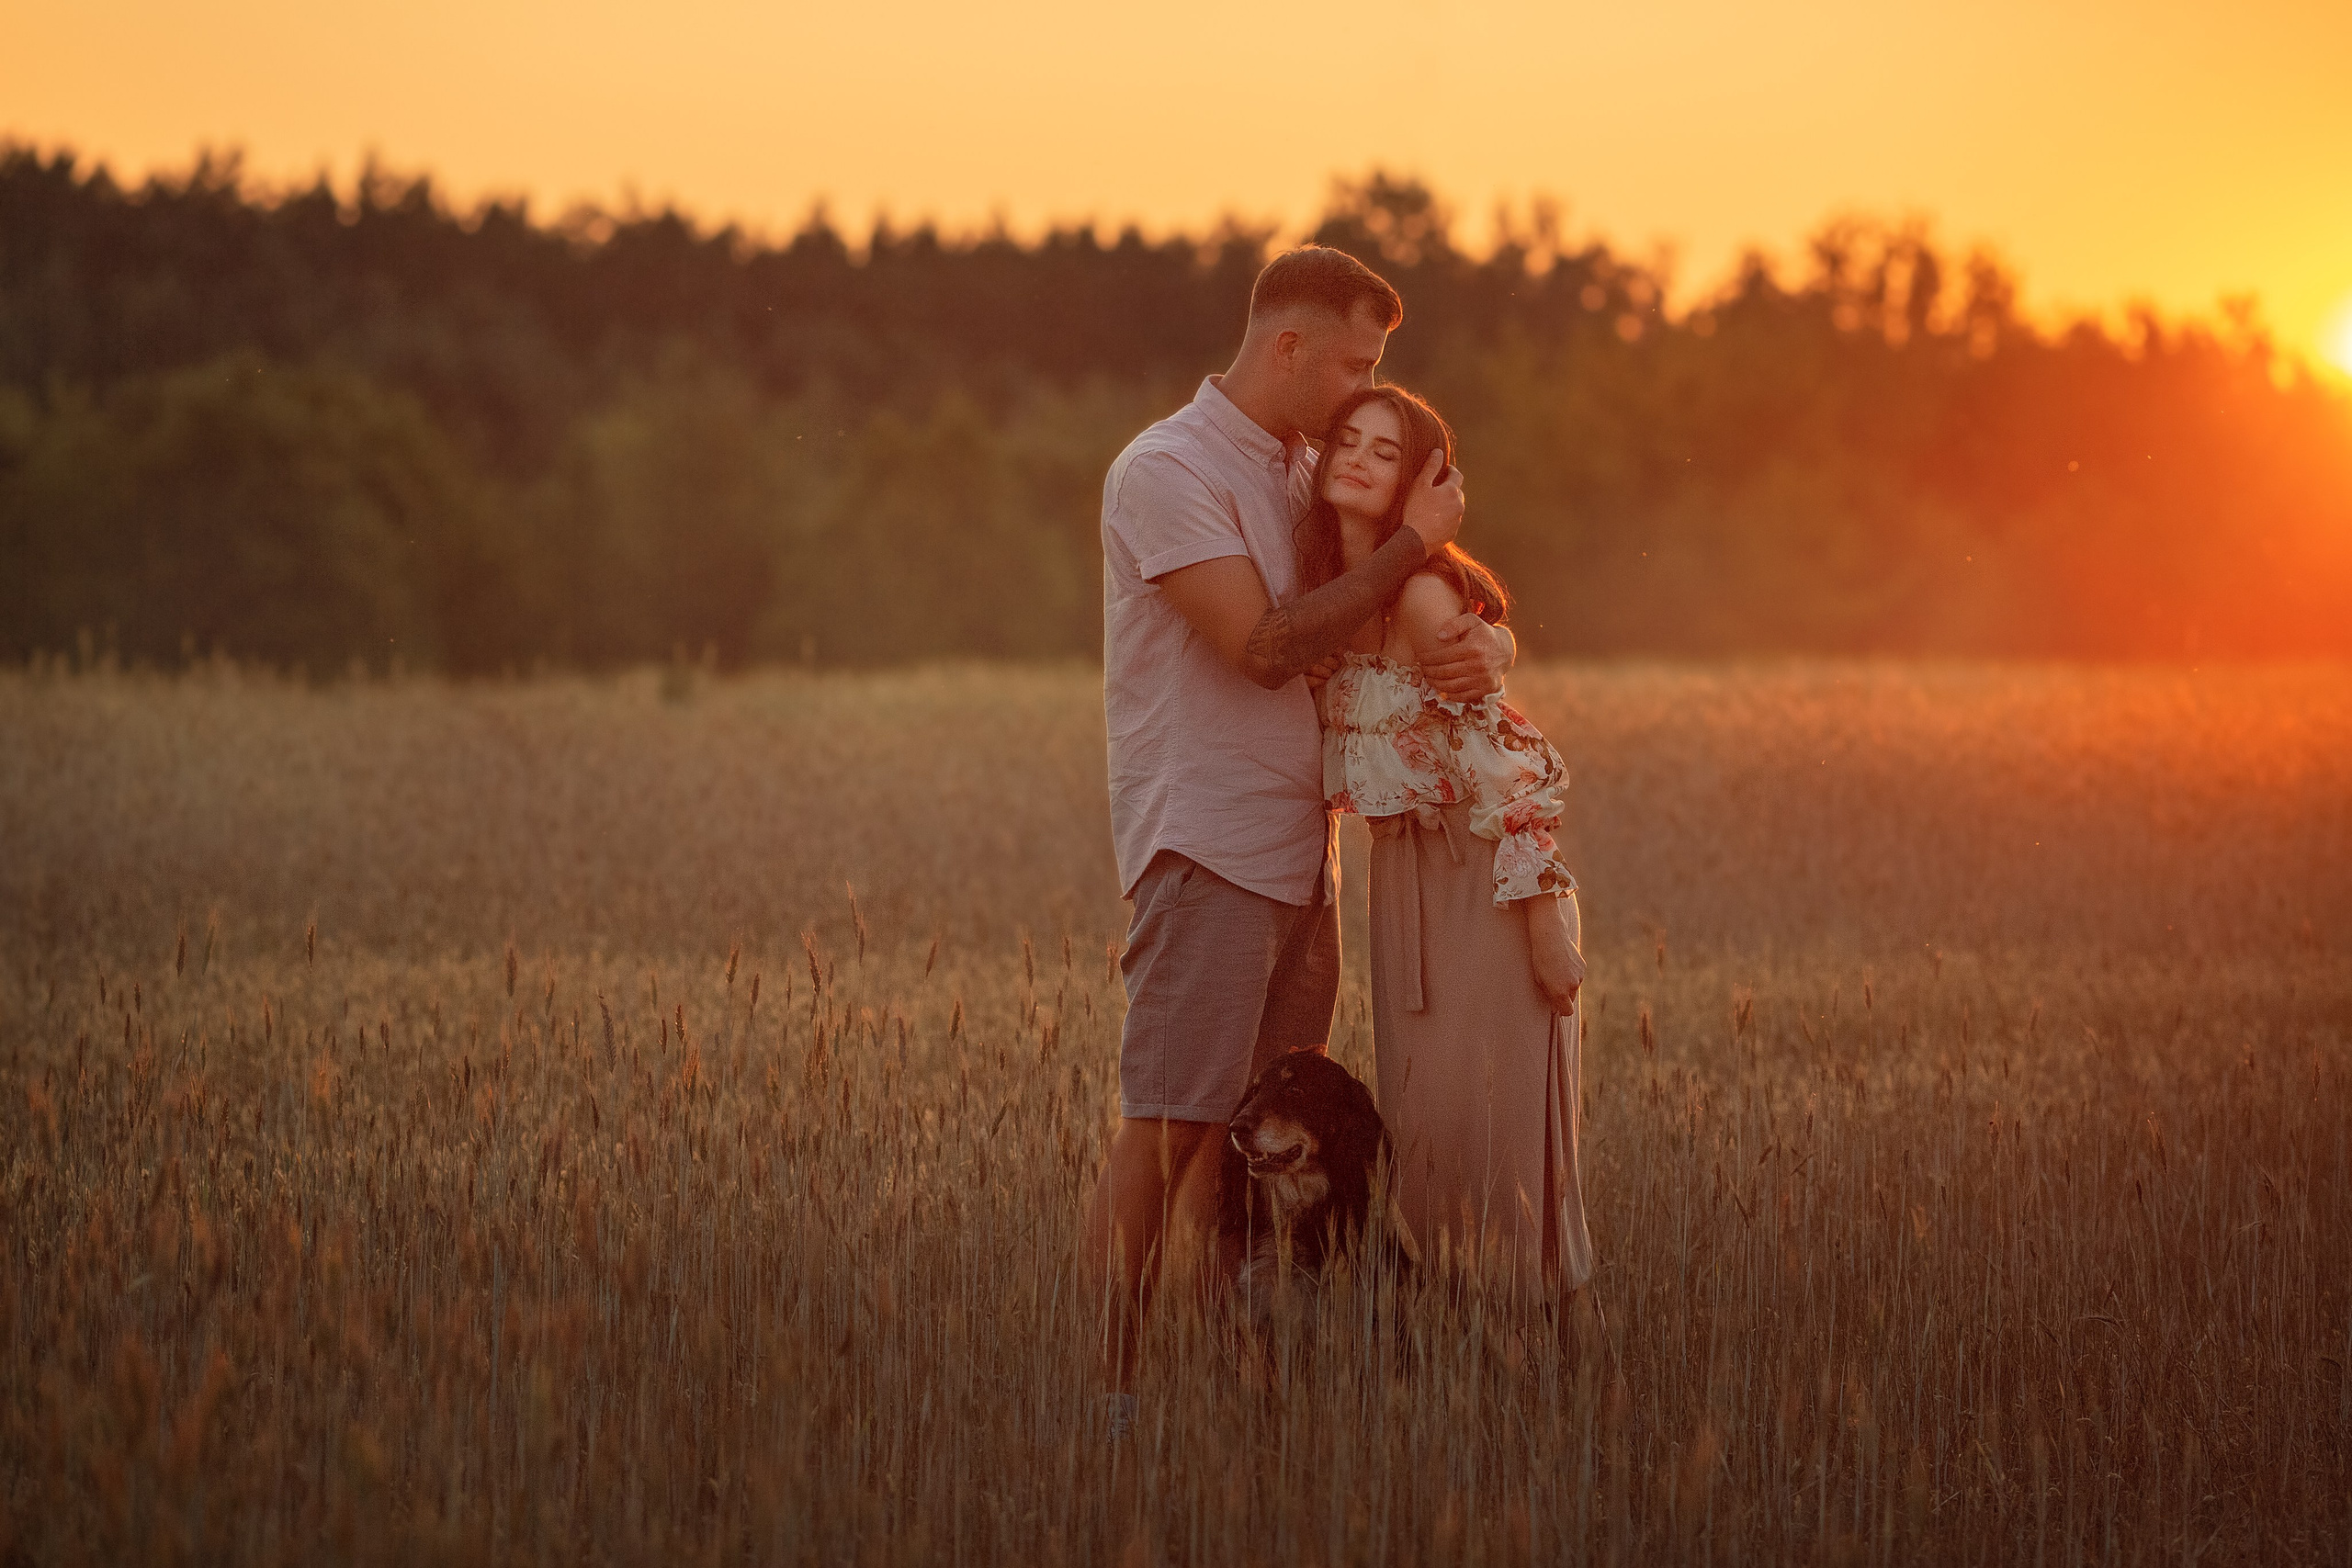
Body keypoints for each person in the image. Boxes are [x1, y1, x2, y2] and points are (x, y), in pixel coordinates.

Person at [1084, 247, 1516, 1431]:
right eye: (1354, 364)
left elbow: (1382, 616)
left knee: (1255, 1153)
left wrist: (1483, 637)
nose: (1362, 387)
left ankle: (1241, 1386)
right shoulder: (1164, 471)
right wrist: (1410, 545)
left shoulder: (1300, 471)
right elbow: (1265, 647)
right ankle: (1108, 1400)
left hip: (1301, 853)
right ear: (1287, 347)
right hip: (1206, 845)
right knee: (1170, 1125)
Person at [1304, 384, 1595, 1306]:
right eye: (1346, 440)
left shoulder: (1424, 595)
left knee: (1493, 1127)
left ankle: (1544, 1352)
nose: (1356, 457)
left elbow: (1504, 759)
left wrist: (1546, 920)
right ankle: (1467, 1351)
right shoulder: (1326, 598)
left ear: (1418, 482)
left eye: (1384, 451)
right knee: (1427, 1130)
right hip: (1403, 883)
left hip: (1484, 880)